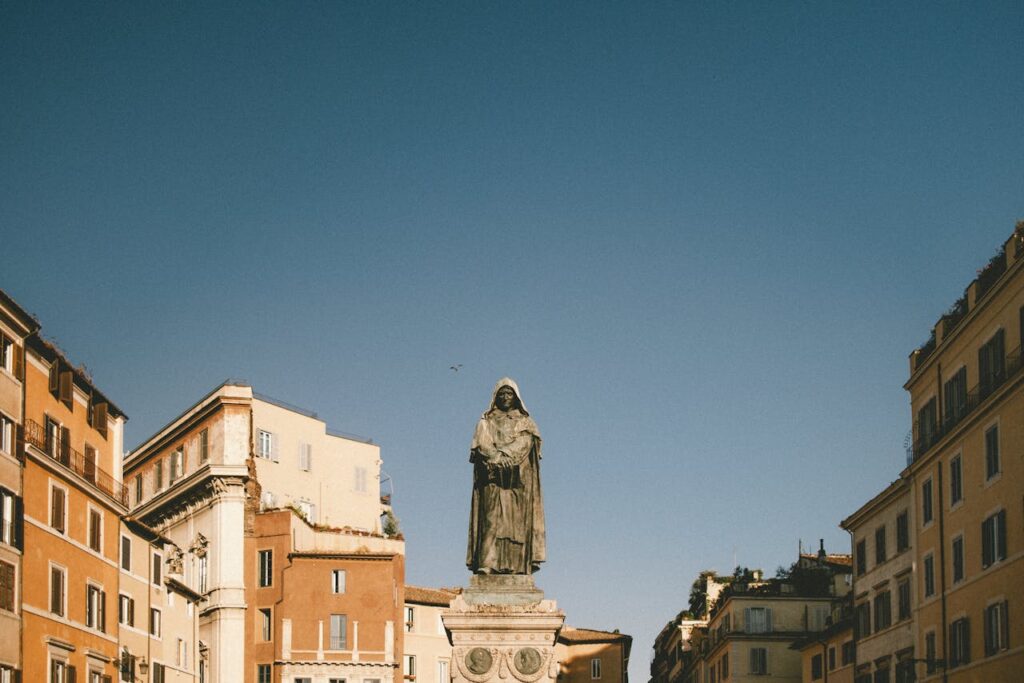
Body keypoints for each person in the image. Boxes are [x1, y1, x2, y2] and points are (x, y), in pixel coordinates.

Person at [466, 378, 546, 575]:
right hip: (492, 476)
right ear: (495, 397)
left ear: (516, 397)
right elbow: (482, 444)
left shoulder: (526, 422)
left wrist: (506, 456)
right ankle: (487, 563)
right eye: (501, 393)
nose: (505, 397)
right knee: (490, 519)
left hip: (517, 480)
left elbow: (526, 442)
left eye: (509, 393)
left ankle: (516, 566)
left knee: (516, 524)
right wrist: (495, 458)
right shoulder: (486, 422)